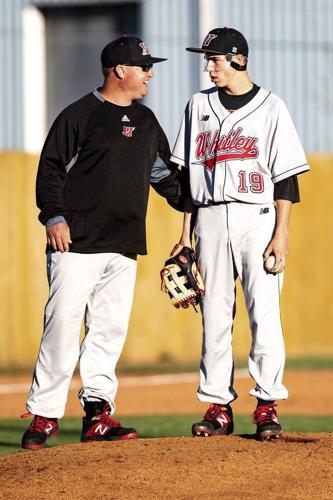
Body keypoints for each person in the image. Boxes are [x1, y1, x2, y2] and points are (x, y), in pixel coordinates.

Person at [21, 35, 183, 450]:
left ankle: (98, 413)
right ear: (120, 71)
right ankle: (44, 416)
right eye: (145, 66)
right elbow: (51, 168)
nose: (151, 73)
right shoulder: (80, 115)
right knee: (62, 326)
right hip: (75, 241)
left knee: (108, 331)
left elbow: (164, 176)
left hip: (124, 242)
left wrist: (205, 203)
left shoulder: (146, 123)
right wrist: (53, 217)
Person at [171, 27, 309, 441]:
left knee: (263, 312)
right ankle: (217, 407)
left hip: (258, 216)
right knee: (214, 312)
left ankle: (266, 405)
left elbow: (286, 180)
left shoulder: (272, 108)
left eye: (215, 58)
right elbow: (185, 179)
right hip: (210, 217)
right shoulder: (198, 105)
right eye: (207, 59)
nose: (209, 66)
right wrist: (184, 235)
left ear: (239, 60)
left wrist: (280, 235)